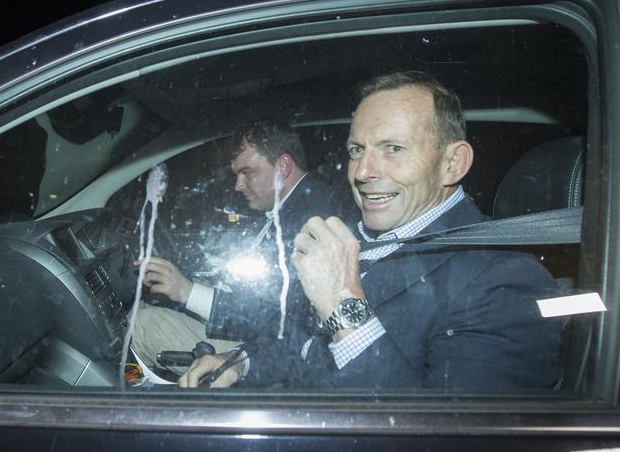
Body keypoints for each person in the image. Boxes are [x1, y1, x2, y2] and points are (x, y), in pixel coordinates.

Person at [179, 71, 564, 390]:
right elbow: (304, 345)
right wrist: (239, 365)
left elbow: (442, 436)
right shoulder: (360, 238)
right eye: (357, 150)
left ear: (453, 163)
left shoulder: (502, 281)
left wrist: (343, 304)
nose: (362, 173)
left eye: (393, 148)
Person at [131, 119, 341, 370]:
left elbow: (277, 320)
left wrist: (187, 291)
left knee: (138, 324)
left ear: (283, 166)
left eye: (247, 173)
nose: (238, 185)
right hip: (261, 338)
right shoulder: (295, 206)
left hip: (266, 353)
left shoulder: (312, 219)